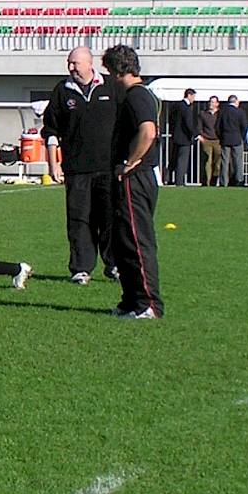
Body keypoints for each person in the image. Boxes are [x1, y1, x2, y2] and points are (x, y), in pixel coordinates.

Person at [41, 47, 117, 285]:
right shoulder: (62, 90)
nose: (71, 67)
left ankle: (114, 265)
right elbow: (51, 130)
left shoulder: (111, 87)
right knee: (79, 219)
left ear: (90, 63)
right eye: (69, 63)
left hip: (108, 167)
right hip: (76, 168)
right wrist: (54, 164)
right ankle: (81, 269)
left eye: (75, 63)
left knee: (110, 218)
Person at [103, 44, 163, 318]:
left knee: (137, 241)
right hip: (129, 179)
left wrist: (130, 161)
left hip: (135, 179)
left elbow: (148, 132)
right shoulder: (134, 96)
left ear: (118, 71)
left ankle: (149, 304)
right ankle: (130, 301)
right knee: (123, 241)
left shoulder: (138, 96)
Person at [167, 87, 199, 186]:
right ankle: (179, 181)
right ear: (189, 95)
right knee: (182, 160)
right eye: (193, 96)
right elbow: (188, 123)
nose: (194, 99)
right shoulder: (186, 108)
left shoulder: (177, 106)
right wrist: (195, 134)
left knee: (174, 159)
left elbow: (171, 120)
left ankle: (169, 178)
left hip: (175, 137)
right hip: (184, 138)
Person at [218, 94, 248, 187]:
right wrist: (242, 137)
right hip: (237, 138)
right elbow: (244, 126)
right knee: (238, 161)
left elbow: (218, 126)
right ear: (236, 101)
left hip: (225, 138)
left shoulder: (222, 112)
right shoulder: (240, 112)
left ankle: (224, 182)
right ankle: (239, 180)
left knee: (224, 161)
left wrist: (221, 137)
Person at [197, 96, 223, 187]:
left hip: (218, 141)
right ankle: (206, 182)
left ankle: (214, 181)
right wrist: (200, 137)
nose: (211, 104)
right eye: (210, 102)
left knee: (217, 163)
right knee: (207, 162)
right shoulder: (203, 114)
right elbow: (199, 127)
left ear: (217, 104)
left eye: (213, 102)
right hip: (206, 140)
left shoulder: (220, 114)